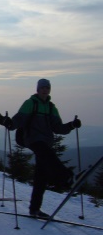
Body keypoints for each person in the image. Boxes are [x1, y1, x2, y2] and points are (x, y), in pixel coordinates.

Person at [9, 78, 81, 217]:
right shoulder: (30, 103)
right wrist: (10, 123)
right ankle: (67, 178)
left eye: (47, 88)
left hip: (46, 141)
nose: (45, 90)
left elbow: (58, 127)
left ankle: (34, 209)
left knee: (41, 177)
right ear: (37, 89)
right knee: (49, 156)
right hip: (33, 140)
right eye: (42, 87)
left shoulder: (51, 107)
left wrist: (72, 125)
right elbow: (19, 118)